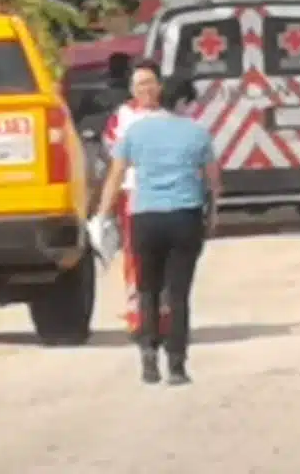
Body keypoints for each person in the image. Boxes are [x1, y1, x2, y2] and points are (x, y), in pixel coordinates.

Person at [94, 76, 222, 386]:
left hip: (145, 218)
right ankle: (176, 366)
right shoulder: (198, 134)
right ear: (182, 103)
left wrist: (103, 214)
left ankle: (148, 358)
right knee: (177, 294)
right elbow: (213, 182)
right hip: (184, 216)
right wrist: (213, 215)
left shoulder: (135, 132)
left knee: (147, 290)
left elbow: (115, 177)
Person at [100, 59, 166, 337]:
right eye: (140, 84)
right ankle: (138, 315)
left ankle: (164, 315)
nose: (146, 89)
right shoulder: (122, 117)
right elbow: (116, 158)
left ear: (160, 86)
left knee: (164, 258)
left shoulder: (171, 117)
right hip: (134, 195)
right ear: (131, 89)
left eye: (150, 83)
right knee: (136, 257)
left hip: (167, 194)